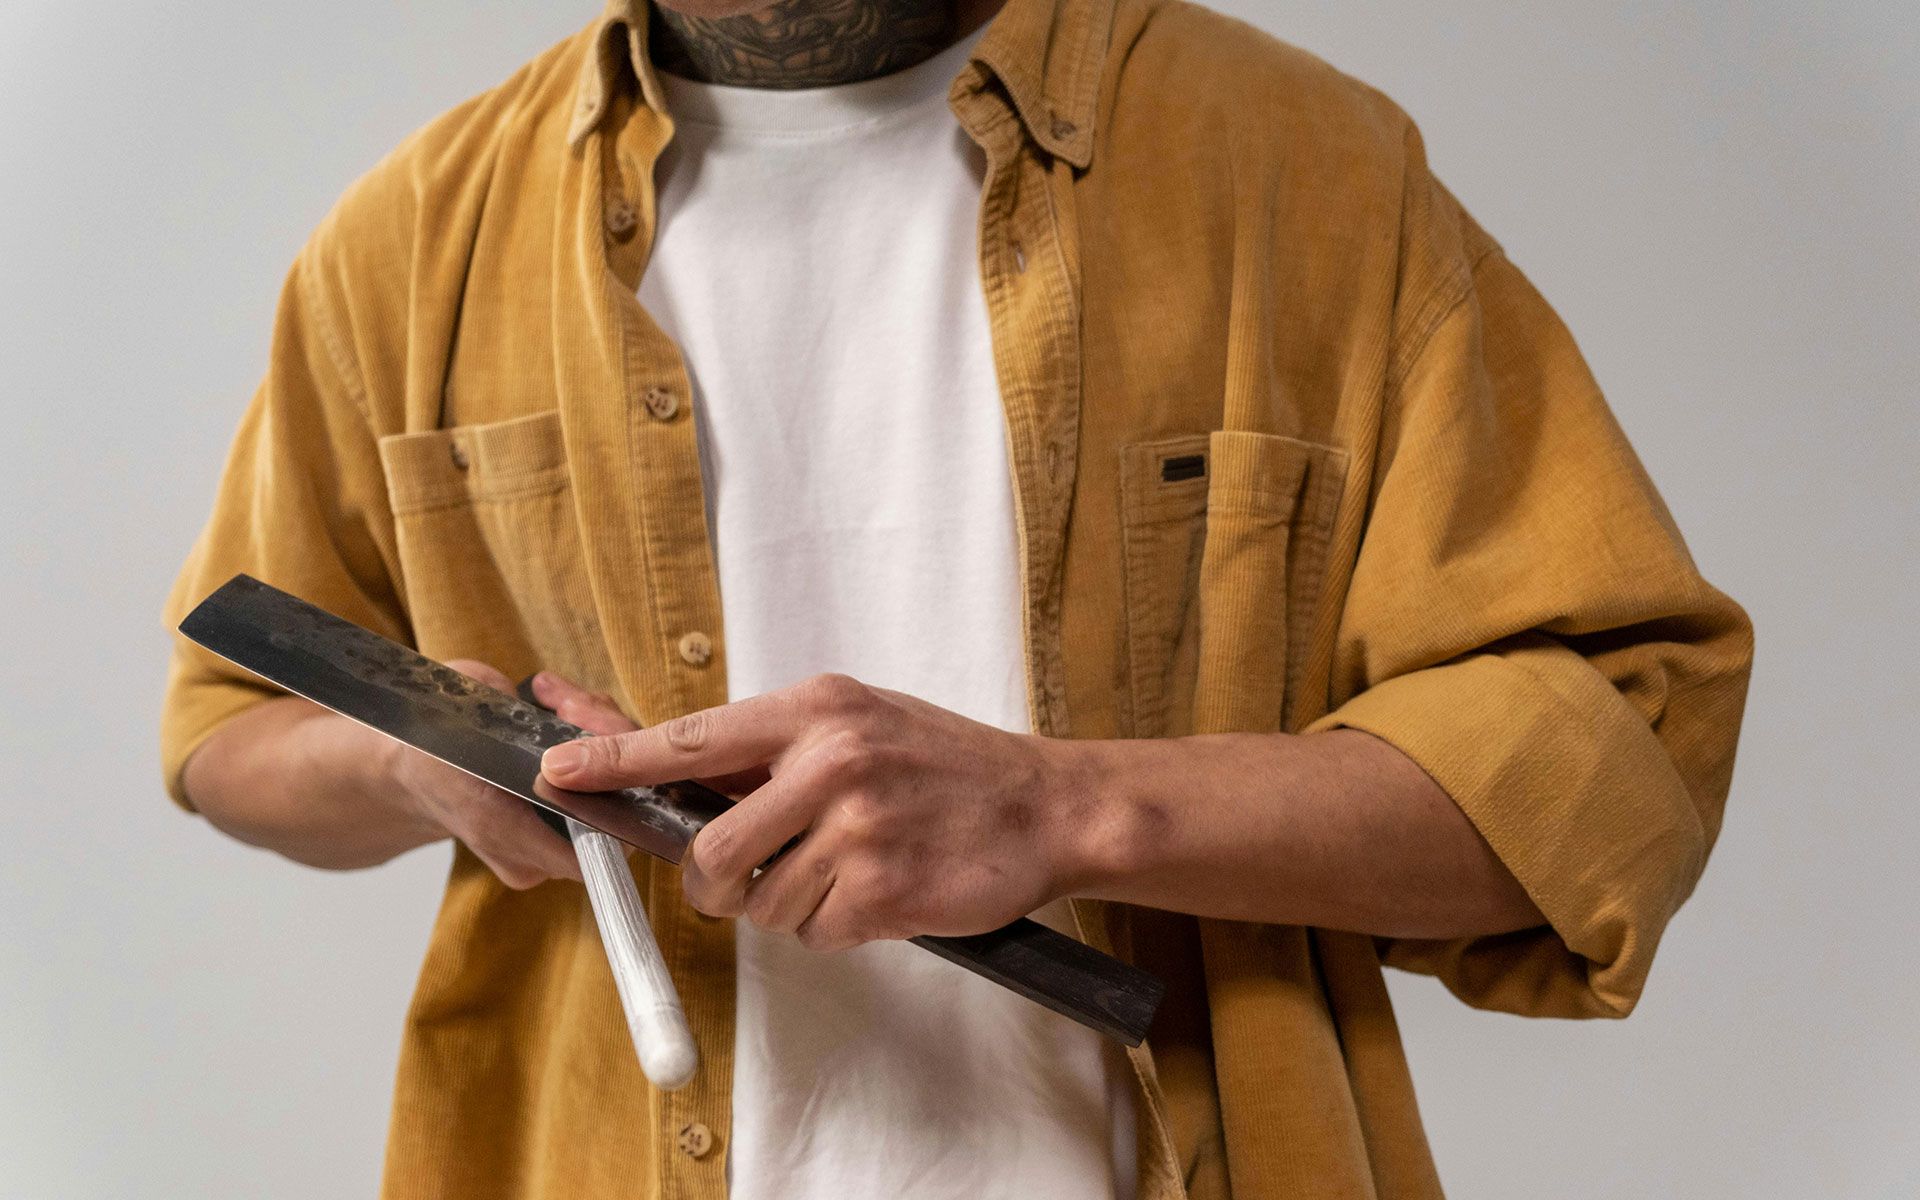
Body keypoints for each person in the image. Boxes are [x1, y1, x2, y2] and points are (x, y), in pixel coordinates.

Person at [159, 0, 1755, 1195]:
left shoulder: (1306, 168)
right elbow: (226, 735)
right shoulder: (408, 241)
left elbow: (1615, 765)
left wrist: (1069, 809)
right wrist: (415, 760)